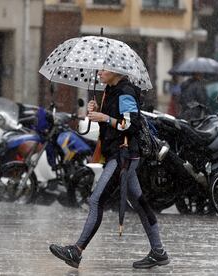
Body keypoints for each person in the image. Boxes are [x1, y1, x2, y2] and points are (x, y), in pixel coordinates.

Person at [49, 69, 170, 269]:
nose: (99, 72)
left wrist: (104, 118)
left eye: (104, 69)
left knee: (97, 200)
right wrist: (96, 109)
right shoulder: (111, 90)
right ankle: (158, 251)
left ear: (116, 71)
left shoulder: (125, 92)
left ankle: (76, 251)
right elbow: (112, 119)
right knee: (139, 203)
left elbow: (131, 125)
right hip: (117, 153)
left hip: (124, 156)